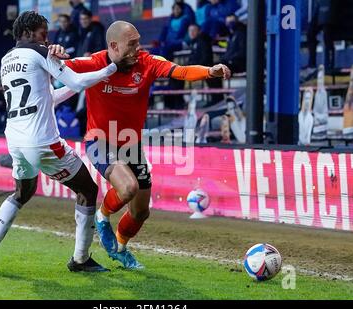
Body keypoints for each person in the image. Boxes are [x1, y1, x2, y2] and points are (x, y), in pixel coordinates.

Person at [65, 20, 231, 269]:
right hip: (100, 139)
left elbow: (181, 72)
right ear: (113, 45)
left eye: (138, 42)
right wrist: (53, 52)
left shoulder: (147, 62)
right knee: (128, 187)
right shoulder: (94, 63)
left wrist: (209, 71)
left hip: (132, 143)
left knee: (141, 211)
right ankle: (102, 216)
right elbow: (57, 65)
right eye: (131, 44)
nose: (137, 48)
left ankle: (120, 248)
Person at [0, 10, 118, 273]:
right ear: (28, 32)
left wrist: (80, 83)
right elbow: (76, 79)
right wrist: (111, 67)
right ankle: (81, 259)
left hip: (15, 139)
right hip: (42, 142)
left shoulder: (6, 60)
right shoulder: (39, 53)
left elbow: (48, 96)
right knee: (88, 190)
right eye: (43, 33)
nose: (47, 39)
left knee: (22, 193)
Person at [304, 0, 338, 78]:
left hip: (332, 5)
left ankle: (329, 66)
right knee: (310, 32)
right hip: (321, 4)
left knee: (327, 34)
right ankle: (311, 64)